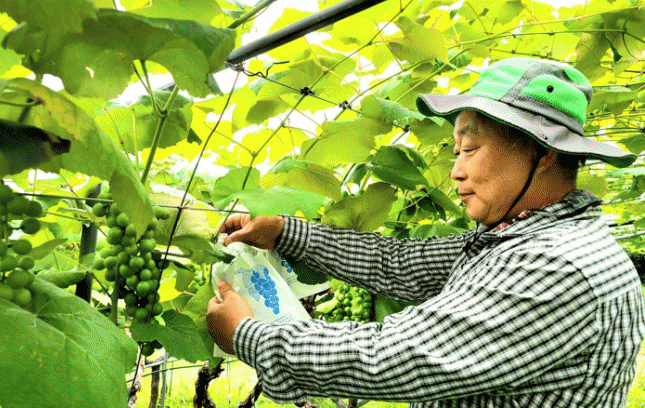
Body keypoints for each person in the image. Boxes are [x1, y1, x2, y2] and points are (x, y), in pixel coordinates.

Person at [206, 58, 645, 407]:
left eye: (470, 149)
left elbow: (394, 356)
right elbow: (399, 264)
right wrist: (285, 232)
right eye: (456, 151)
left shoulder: (555, 265)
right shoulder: (522, 238)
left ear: (541, 151)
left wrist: (251, 337)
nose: (456, 171)